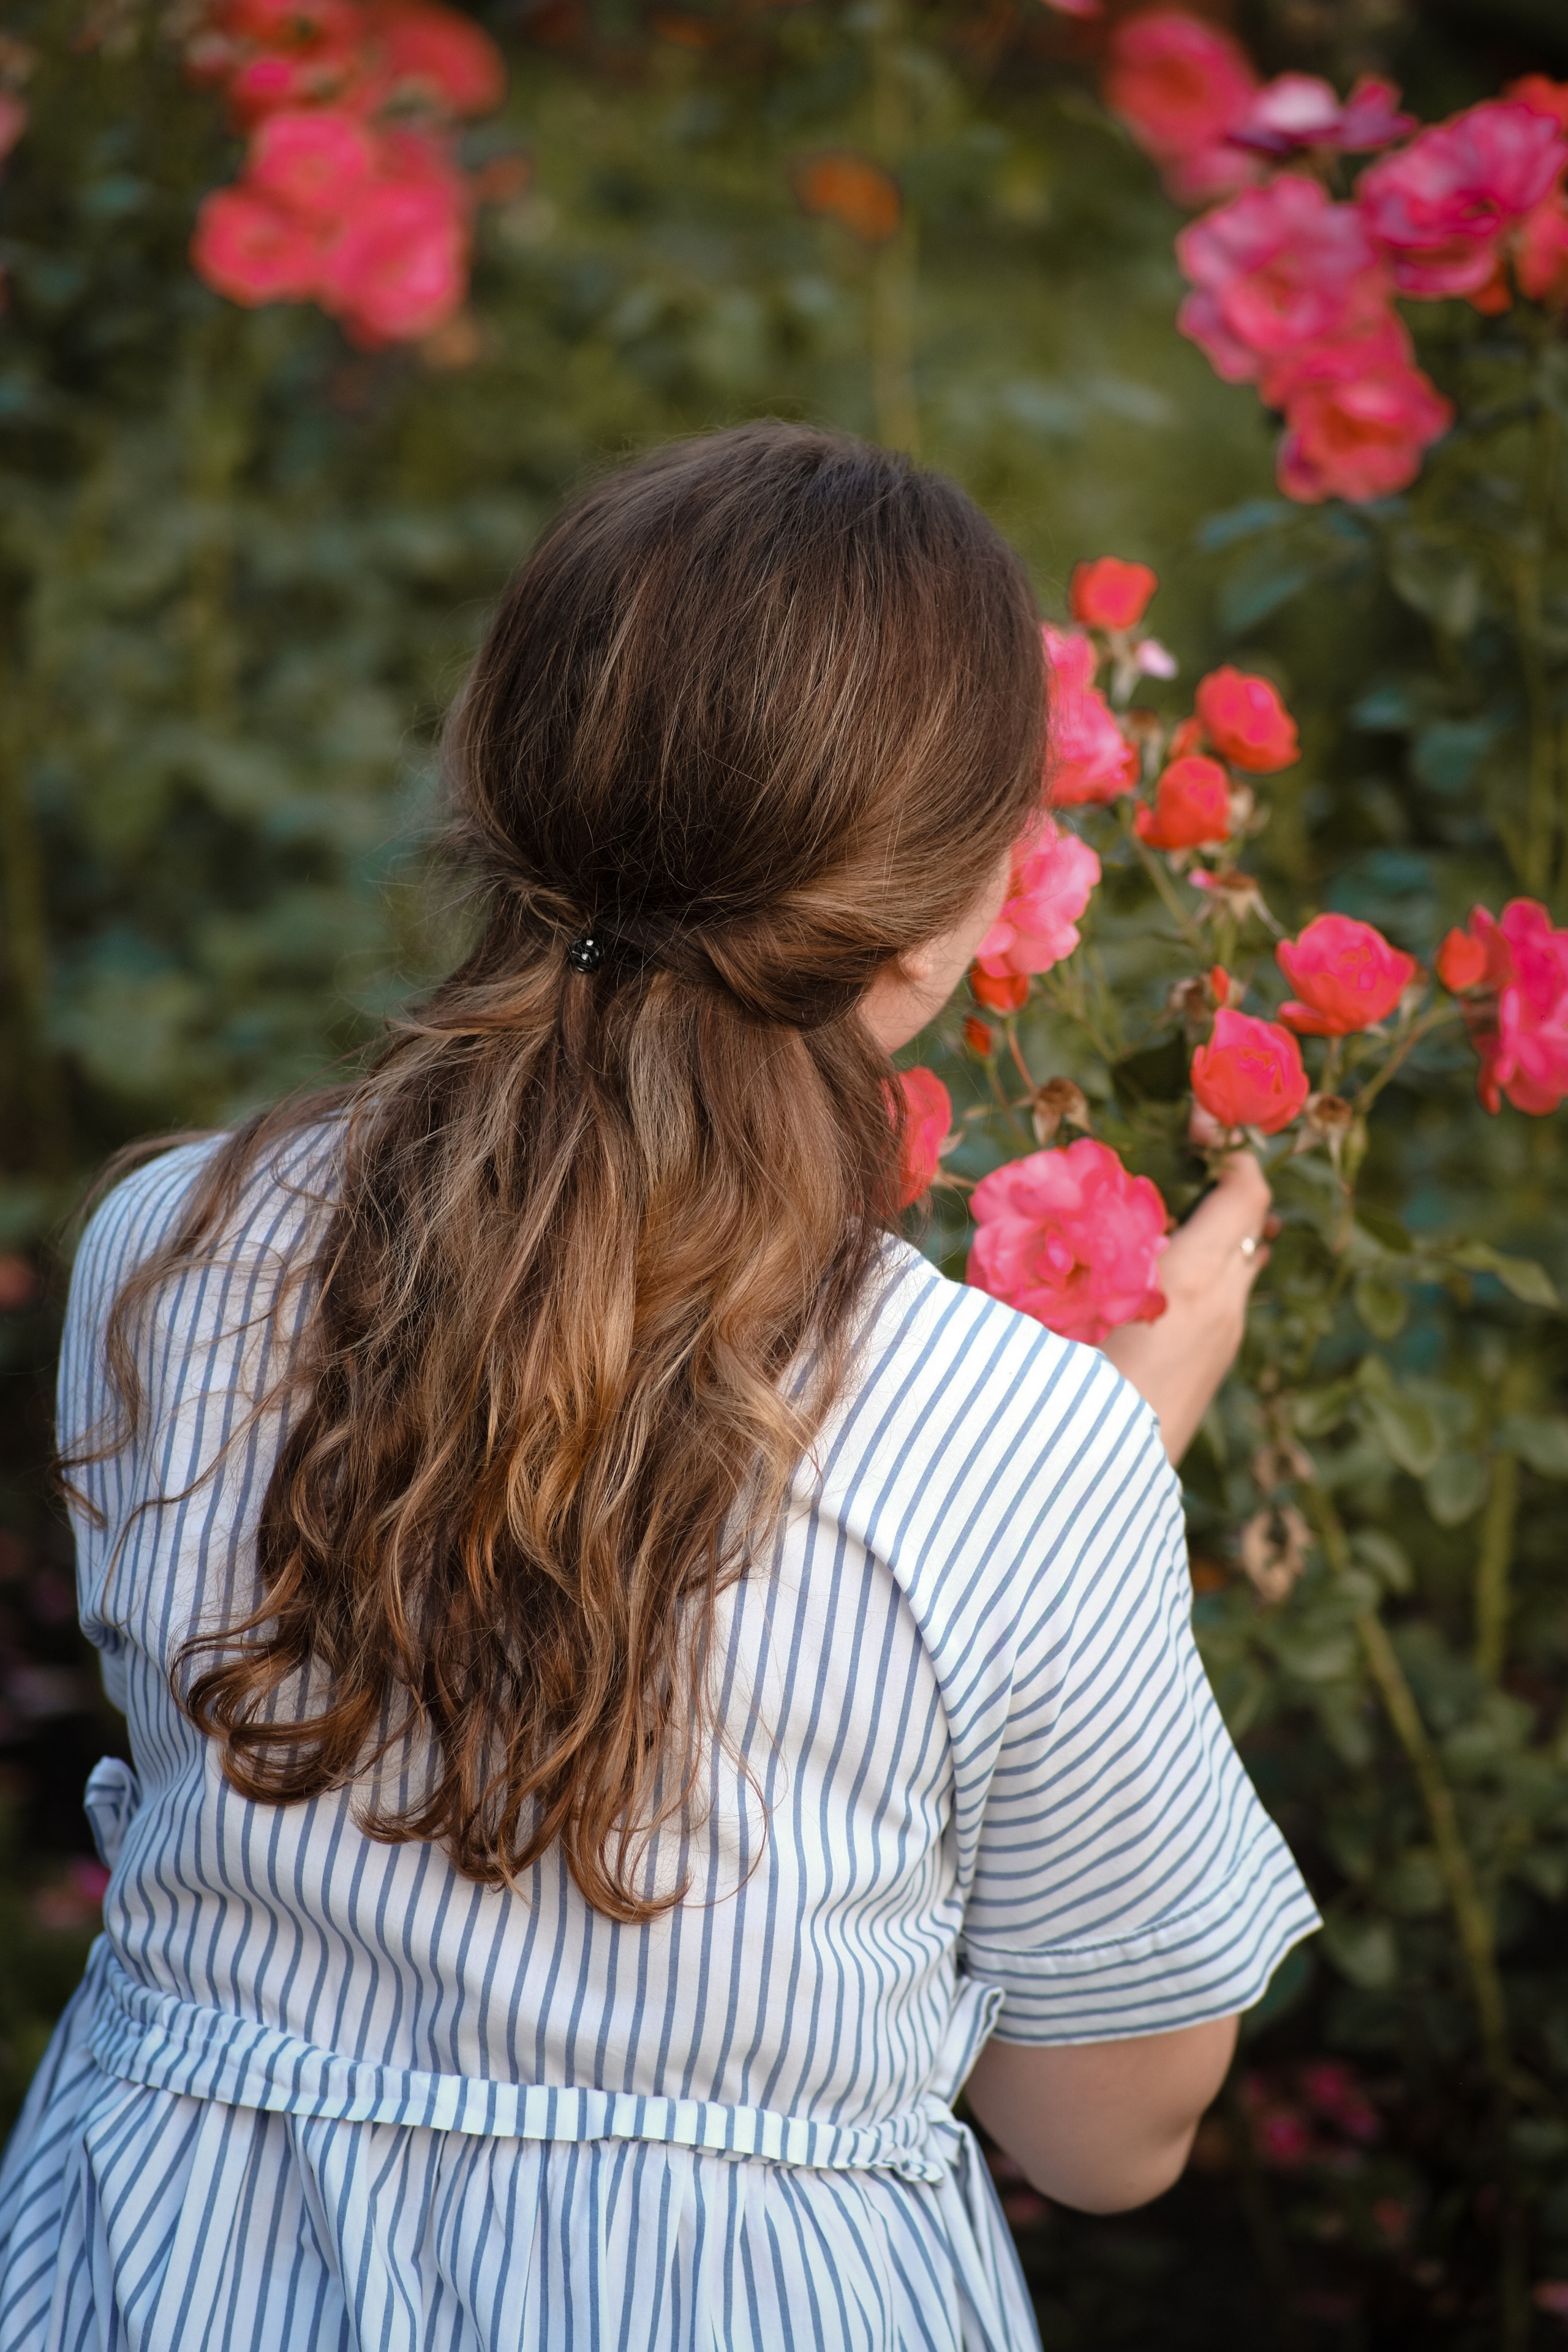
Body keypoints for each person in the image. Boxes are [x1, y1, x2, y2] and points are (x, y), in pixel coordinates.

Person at [0, 423, 1316, 2352]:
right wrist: (1110, 1452)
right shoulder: (1019, 1445)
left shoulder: (168, 1255)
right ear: (940, 931)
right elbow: (1107, 2132)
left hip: (160, 2280)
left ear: (502, 778)